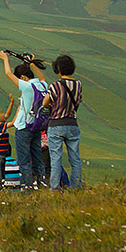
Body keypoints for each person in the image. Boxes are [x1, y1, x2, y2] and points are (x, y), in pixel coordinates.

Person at [0, 50, 48, 189]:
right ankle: (41, 181)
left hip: (24, 127)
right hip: (37, 126)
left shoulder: (27, 87)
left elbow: (8, 74)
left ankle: (27, 185)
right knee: (37, 156)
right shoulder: (43, 85)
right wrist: (32, 64)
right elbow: (42, 76)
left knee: (24, 159)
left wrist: (5, 59)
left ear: (23, 77)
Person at [42, 54, 83, 190]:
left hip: (56, 124)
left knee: (56, 159)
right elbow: (77, 101)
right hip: (72, 124)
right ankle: (75, 187)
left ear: (58, 69)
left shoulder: (55, 85)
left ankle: (54, 188)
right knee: (75, 159)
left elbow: (45, 102)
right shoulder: (78, 85)